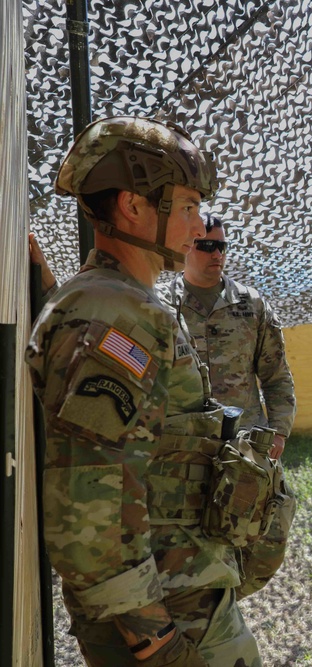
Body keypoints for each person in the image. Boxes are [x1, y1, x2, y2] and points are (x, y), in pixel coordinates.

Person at [26, 116, 262, 666]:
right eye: (184, 206)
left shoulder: (118, 303)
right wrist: (156, 643)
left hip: (178, 593)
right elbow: (87, 494)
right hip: (167, 613)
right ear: (132, 207)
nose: (199, 223)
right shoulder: (116, 314)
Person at [158, 212, 297, 598]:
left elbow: (277, 376)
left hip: (245, 452)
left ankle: (230, 606)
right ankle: (207, 615)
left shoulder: (251, 305)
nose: (216, 253)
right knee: (192, 548)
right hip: (186, 455)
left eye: (221, 246)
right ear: (188, 247)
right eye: (206, 245)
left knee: (264, 539)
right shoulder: (162, 305)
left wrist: (280, 431)